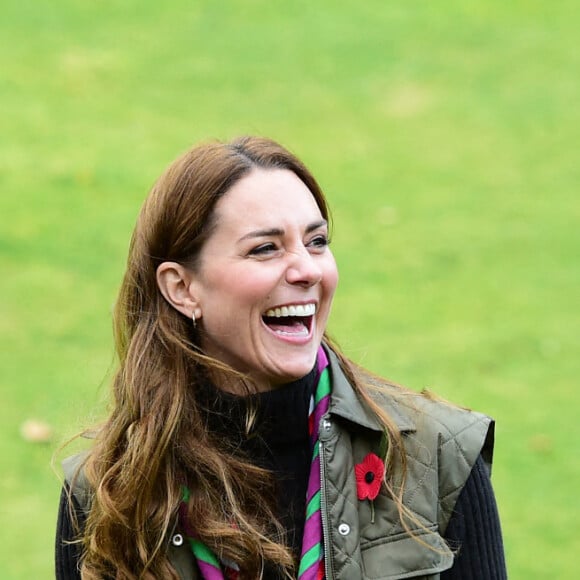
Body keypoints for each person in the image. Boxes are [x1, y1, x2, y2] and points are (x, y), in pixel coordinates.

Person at [55, 136, 507, 579]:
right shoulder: (108, 492)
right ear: (182, 288)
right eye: (265, 248)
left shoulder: (436, 455)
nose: (308, 270)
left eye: (316, 241)